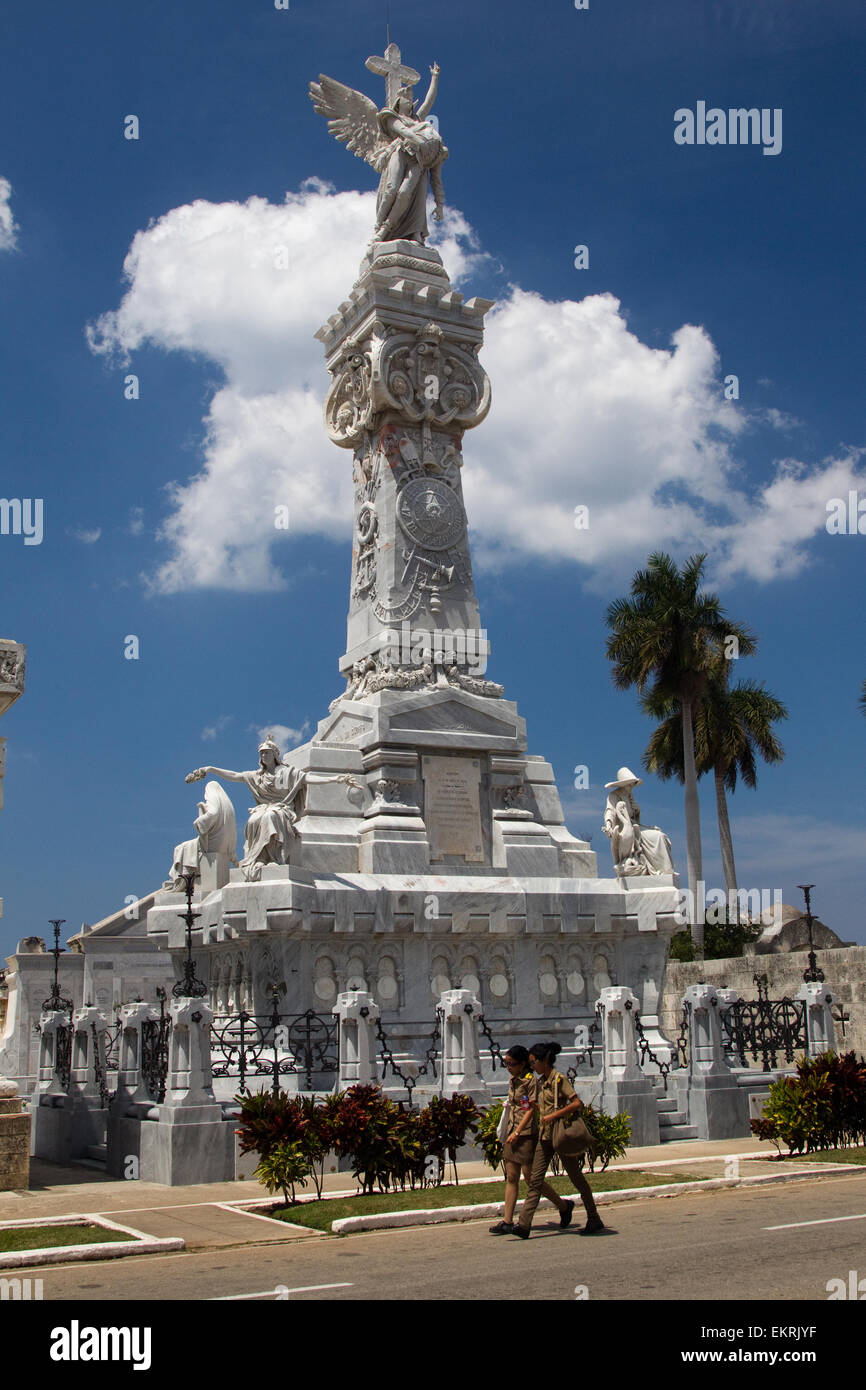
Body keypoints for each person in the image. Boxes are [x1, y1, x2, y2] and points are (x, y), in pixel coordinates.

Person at [513, 1041, 606, 1239]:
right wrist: (530, 1104)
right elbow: (536, 1105)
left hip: (561, 1136)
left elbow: (577, 1103)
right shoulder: (540, 1082)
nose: (532, 1066)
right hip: (545, 1137)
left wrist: (553, 1116)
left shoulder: (558, 1080)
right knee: (535, 1180)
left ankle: (593, 1217)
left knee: (576, 1178)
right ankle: (523, 1225)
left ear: (544, 1061)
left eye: (533, 1062)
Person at [488, 1046, 573, 1236]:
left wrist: (517, 1132)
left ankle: (563, 1206)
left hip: (525, 1134)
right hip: (512, 1131)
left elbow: (530, 1110)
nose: (508, 1067)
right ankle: (507, 1221)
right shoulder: (514, 1080)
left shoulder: (531, 1082)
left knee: (531, 1179)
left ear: (523, 1064)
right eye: (506, 1063)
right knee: (511, 1176)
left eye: (512, 1064)